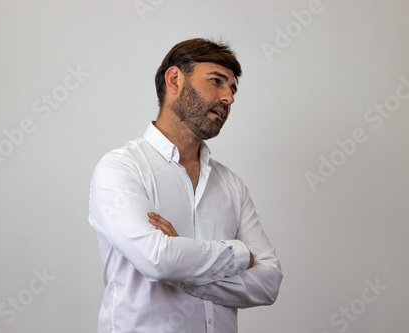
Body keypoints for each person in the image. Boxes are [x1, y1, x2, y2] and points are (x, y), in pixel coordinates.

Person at [88, 38, 282, 333]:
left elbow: (268, 284)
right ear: (175, 79)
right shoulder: (120, 168)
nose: (228, 97)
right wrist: (241, 255)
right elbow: (157, 260)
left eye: (232, 88)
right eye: (217, 81)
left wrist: (181, 261)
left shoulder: (231, 185)